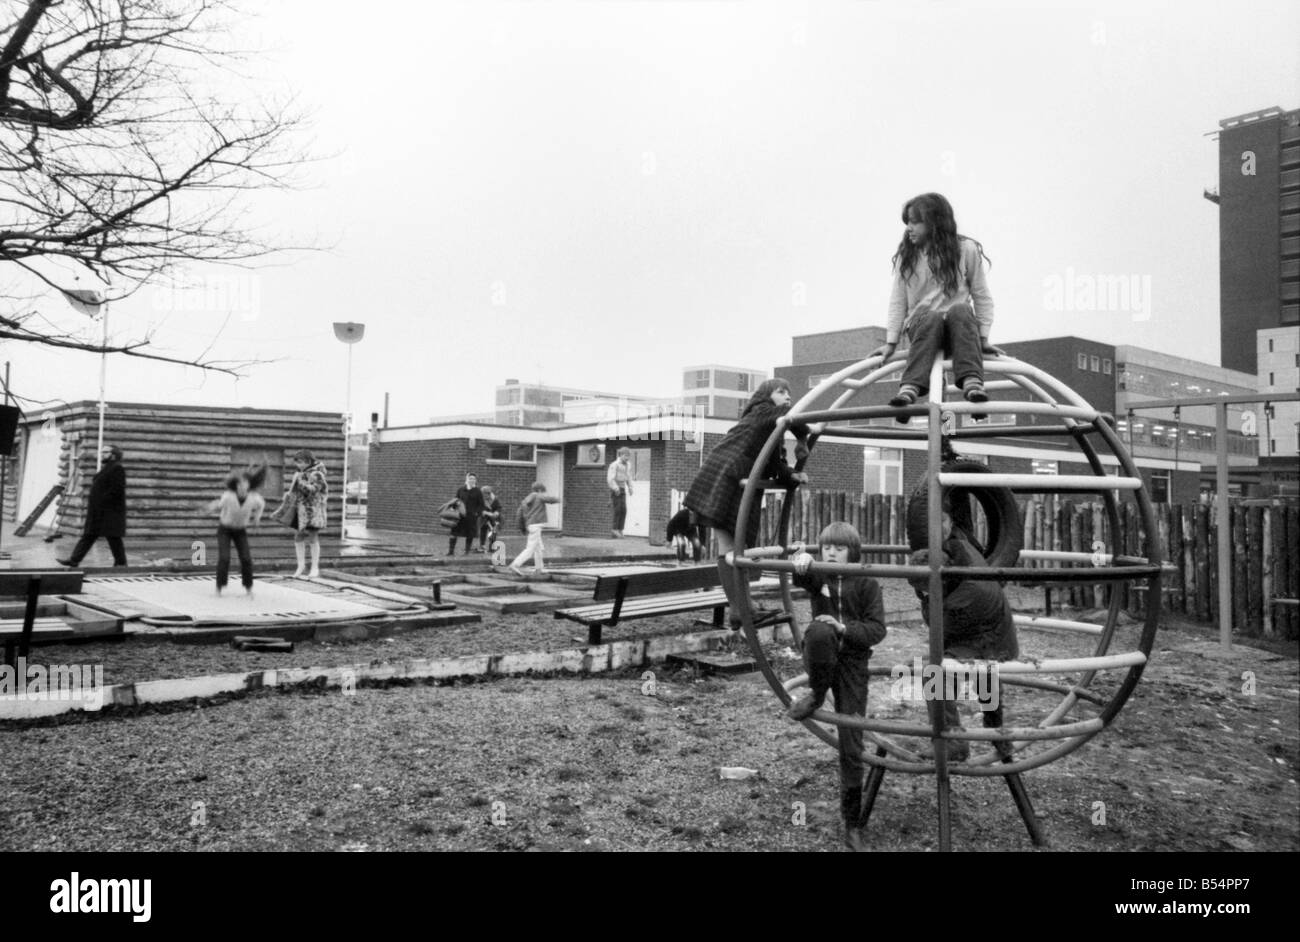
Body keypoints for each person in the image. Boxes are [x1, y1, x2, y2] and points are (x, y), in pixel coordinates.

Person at [785, 522, 888, 852]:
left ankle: (852, 822)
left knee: (851, 740)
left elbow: (877, 629)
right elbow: (803, 574)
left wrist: (844, 627)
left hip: (854, 664)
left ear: (853, 552)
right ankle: (816, 693)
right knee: (817, 631)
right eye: (826, 547)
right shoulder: (822, 576)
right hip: (825, 660)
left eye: (839, 548)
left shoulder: (867, 582)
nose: (831, 552)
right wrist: (799, 560)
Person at [684, 378, 810, 622]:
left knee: (734, 549)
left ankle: (743, 607)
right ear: (765, 395)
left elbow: (774, 461)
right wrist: (804, 436)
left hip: (729, 478)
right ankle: (740, 609)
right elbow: (790, 414)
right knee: (730, 549)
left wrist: (791, 475)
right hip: (723, 477)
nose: (787, 397)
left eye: (789, 393)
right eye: (781, 392)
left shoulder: (770, 427)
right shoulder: (760, 412)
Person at [868, 193, 1001, 423]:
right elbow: (898, 301)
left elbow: (981, 295)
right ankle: (910, 387)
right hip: (923, 327)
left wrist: (982, 337)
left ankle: (972, 383)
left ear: (934, 222)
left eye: (915, 222)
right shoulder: (907, 257)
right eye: (907, 222)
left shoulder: (965, 250)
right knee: (931, 317)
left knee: (961, 309)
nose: (909, 228)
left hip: (957, 331)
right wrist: (890, 342)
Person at [907, 511, 1020, 763]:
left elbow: (939, 628)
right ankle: (997, 733)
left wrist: (927, 600)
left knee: (937, 672)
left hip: (989, 640)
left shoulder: (959, 596)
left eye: (942, 521)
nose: (936, 529)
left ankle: (955, 741)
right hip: (980, 634)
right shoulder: (960, 544)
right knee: (976, 677)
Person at [59, 444, 128, 568]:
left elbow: (116, 490)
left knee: (114, 538)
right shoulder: (106, 468)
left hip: (109, 512)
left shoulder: (117, 468)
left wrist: (101, 502)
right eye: (102, 452)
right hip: (98, 512)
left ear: (113, 455)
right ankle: (74, 560)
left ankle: (121, 563)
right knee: (89, 536)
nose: (102, 454)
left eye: (105, 452)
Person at [206, 465, 267, 596]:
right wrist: (213, 506)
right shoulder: (228, 496)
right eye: (240, 484)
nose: (242, 487)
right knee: (224, 558)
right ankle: (219, 588)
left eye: (245, 484)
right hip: (225, 530)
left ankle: (248, 588)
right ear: (236, 485)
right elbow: (220, 505)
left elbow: (262, 505)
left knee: (246, 559)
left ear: (249, 485)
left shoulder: (254, 497)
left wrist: (257, 517)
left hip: (240, 531)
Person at [273, 448, 329, 578]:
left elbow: (314, 490)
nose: (300, 465)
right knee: (298, 536)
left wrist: (302, 483)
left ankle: (314, 567)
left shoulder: (317, 474)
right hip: (299, 510)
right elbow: (293, 490)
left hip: (313, 511)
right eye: (298, 462)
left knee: (313, 536)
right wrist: (288, 496)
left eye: (302, 462)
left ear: (309, 461)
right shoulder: (298, 474)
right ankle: (301, 565)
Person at [507, 482, 560, 576]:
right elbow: (549, 499)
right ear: (539, 490)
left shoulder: (526, 500)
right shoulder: (538, 496)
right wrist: (559, 499)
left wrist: (522, 527)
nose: (544, 494)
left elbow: (519, 513)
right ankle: (515, 564)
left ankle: (539, 568)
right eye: (543, 492)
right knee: (530, 548)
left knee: (538, 548)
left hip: (531, 525)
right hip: (536, 525)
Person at [449, 473, 484, 555]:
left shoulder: (478, 491)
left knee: (470, 534)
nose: (472, 480)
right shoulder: (461, 490)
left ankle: (467, 551)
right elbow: (455, 500)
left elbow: (481, 504)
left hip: (471, 517)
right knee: (454, 532)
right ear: (466, 479)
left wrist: (477, 513)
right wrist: (454, 507)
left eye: (473, 479)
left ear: (475, 481)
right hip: (460, 516)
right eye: (470, 478)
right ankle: (451, 551)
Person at [607, 447, 633, 538]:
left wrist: (630, 487)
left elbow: (628, 477)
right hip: (616, 489)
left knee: (624, 509)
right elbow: (610, 479)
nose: (627, 458)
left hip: (622, 488)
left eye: (628, 456)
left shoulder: (628, 465)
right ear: (621, 455)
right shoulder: (614, 465)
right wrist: (615, 488)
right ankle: (614, 529)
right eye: (626, 456)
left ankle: (620, 529)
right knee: (617, 509)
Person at [478, 485, 502, 553]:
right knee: (483, 532)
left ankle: (492, 547)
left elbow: (499, 507)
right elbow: (478, 508)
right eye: (483, 494)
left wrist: (497, 512)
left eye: (486, 494)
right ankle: (482, 547)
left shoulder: (494, 499)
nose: (485, 496)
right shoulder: (480, 500)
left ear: (489, 493)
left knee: (493, 532)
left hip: (492, 519)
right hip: (483, 518)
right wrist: (484, 512)